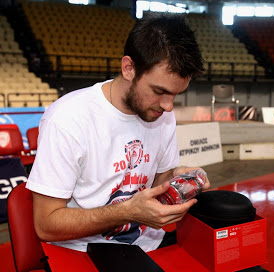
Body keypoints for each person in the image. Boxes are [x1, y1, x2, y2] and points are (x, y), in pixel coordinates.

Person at [26, 13, 210, 253]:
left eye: (176, 94)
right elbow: (46, 225)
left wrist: (177, 178)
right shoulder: (67, 119)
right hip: (84, 249)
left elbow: (158, 184)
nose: (168, 106)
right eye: (159, 91)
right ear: (129, 68)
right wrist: (128, 212)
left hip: (146, 242)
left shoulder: (161, 114)